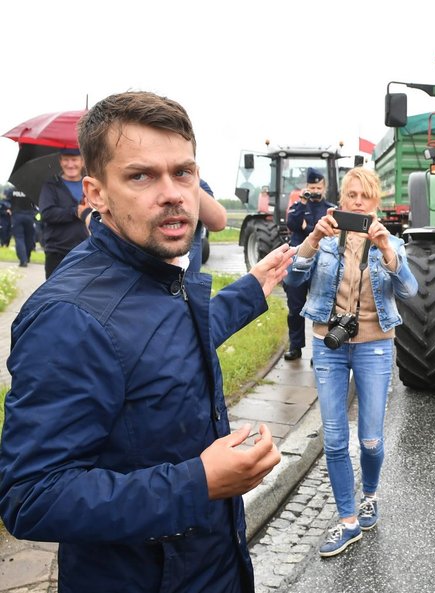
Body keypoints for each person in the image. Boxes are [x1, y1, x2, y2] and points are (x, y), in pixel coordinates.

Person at [0, 90, 293, 593]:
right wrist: (198, 482)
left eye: (183, 172)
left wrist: (252, 289)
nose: (173, 193)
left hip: (212, 566)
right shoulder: (70, 317)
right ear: (96, 193)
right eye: (141, 176)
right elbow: (31, 496)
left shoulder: (156, 273)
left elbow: (166, 342)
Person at [284, 167, 417, 557]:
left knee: (371, 439)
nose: (357, 202)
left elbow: (410, 291)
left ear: (376, 202)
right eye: (351, 195)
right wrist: (311, 240)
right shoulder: (325, 240)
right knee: (336, 437)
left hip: (375, 346)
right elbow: (292, 281)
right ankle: (347, 521)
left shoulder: (389, 241)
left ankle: (370, 495)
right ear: (341, 200)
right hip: (329, 343)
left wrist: (388, 252)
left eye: (365, 196)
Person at [283, 167, 335, 361]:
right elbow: (293, 225)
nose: (315, 190)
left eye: (318, 187)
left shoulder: (330, 209)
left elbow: (327, 232)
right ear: (307, 187)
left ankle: (319, 350)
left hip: (321, 262)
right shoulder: (299, 206)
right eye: (311, 186)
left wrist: (309, 228)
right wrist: (303, 205)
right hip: (298, 261)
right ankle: (295, 346)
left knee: (321, 308)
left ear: (324, 187)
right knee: (295, 308)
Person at [38, 148, 92, 278]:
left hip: (86, 250)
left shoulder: (90, 185)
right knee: (54, 296)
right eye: (66, 160)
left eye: (74, 160)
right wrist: (75, 212)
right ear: (60, 161)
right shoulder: (51, 186)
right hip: (57, 251)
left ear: (82, 161)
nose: (70, 164)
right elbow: (47, 213)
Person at [8, 183, 36, 267]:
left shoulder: (12, 189)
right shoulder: (31, 190)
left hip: (17, 215)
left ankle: (23, 260)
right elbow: (36, 202)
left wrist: (10, 209)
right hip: (29, 215)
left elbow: (8, 201)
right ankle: (27, 257)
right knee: (29, 237)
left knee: (19, 238)